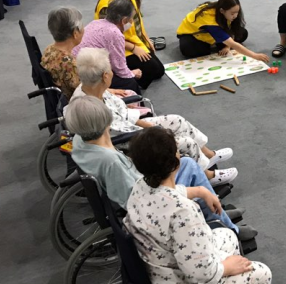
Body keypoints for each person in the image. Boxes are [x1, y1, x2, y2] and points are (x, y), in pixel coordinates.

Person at [124, 127, 272, 284]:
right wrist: (226, 268)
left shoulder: (140, 186)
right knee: (262, 274)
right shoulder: (183, 212)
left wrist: (200, 191)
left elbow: (167, 193)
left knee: (227, 234)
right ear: (175, 162)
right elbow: (201, 274)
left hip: (160, 272)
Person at [64, 96, 257, 241]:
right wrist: (197, 191)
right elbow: (143, 199)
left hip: (138, 187)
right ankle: (229, 227)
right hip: (148, 203)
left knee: (186, 164)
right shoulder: (110, 161)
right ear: (105, 122)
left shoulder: (81, 140)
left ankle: (216, 214)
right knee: (188, 166)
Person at [71, 47, 238, 187]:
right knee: (185, 142)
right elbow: (121, 133)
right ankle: (207, 175)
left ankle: (208, 155)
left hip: (130, 126)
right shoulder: (90, 108)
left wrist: (152, 126)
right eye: (110, 70)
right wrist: (157, 131)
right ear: (105, 76)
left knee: (177, 120)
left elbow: (125, 116)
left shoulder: (92, 86)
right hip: (127, 141)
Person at [95, 0, 164, 89]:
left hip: (133, 42)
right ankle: (117, 77)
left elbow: (138, 23)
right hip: (118, 48)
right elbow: (107, 38)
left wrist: (146, 40)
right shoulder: (107, 4)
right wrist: (133, 48)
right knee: (152, 70)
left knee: (158, 70)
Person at [73, 0, 143, 93]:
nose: (132, 22)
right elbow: (120, 69)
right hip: (87, 73)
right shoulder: (115, 33)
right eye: (131, 19)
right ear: (124, 20)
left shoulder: (95, 22)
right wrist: (133, 73)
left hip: (76, 67)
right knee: (130, 82)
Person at [176, 0, 268, 63]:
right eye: (232, 13)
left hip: (214, 32)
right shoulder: (210, 21)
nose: (235, 16)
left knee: (242, 33)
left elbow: (231, 29)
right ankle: (214, 43)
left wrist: (227, 46)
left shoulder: (224, 9)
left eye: (237, 12)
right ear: (222, 11)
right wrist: (254, 55)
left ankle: (219, 41)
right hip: (193, 35)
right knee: (193, 50)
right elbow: (233, 44)